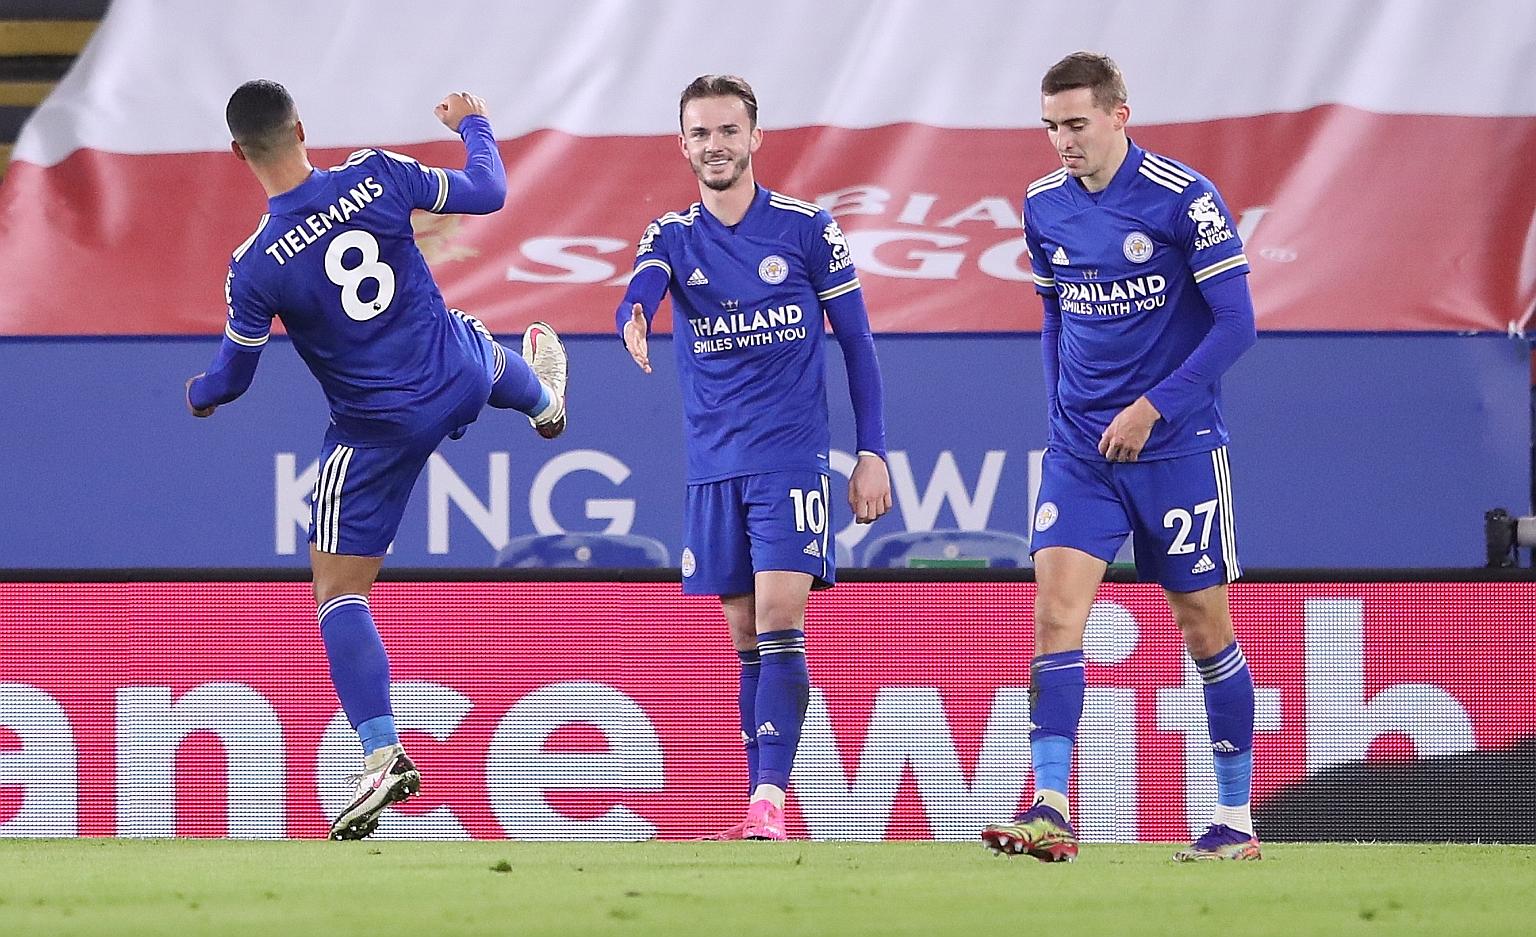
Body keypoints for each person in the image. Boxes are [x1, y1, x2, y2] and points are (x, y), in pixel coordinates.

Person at [184, 80, 569, 841]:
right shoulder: (376, 173)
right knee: (467, 340)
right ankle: (540, 400)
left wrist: (197, 394)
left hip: (375, 430)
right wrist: (476, 125)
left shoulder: (255, 264)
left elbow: (232, 380)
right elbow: (488, 189)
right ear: (301, 123)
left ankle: (382, 751)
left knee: (337, 593)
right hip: (450, 375)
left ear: (238, 152)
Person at [980, 52, 1260, 862]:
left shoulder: (1183, 198)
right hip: (1081, 453)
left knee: (1202, 626)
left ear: (1118, 115)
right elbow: (1054, 313)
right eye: (1051, 127)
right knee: (1054, 617)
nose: (1062, 141)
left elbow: (1237, 323)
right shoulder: (1042, 204)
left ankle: (1235, 820)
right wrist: (1060, 408)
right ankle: (1052, 806)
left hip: (1176, 447)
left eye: (1076, 124)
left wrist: (1152, 406)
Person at [617, 74, 892, 840]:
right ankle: (756, 802)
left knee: (778, 617)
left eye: (728, 131)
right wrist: (635, 314)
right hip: (712, 465)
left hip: (791, 458)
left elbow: (860, 346)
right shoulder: (670, 234)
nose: (715, 146)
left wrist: (871, 453)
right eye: (701, 133)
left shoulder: (807, 229)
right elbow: (643, 284)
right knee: (744, 634)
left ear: (754, 138)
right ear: (683, 145)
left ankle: (770, 802)